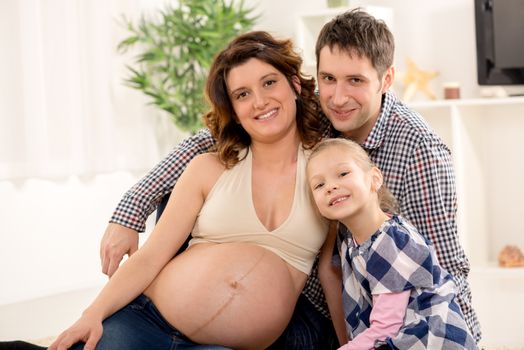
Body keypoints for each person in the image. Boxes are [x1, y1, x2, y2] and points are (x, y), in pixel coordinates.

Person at [100, 8, 480, 346]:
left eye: (356, 81)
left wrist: (464, 339)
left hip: (367, 308)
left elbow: (444, 266)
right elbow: (211, 138)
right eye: (328, 78)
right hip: (303, 298)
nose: (338, 97)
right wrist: (130, 210)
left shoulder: (420, 152)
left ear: (386, 79)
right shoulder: (308, 106)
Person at [1, 31, 330, 350]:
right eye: (242, 94)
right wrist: (92, 314)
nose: (259, 101)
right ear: (235, 111)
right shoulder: (209, 167)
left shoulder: (330, 171)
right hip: (146, 321)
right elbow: (149, 258)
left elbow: (334, 270)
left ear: (295, 85)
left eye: (269, 82)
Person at [307, 138, 478, 350]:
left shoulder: (390, 241)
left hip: (429, 340)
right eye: (319, 184)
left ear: (374, 179)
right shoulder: (352, 243)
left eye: (343, 174)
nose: (331, 186)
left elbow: (386, 327)